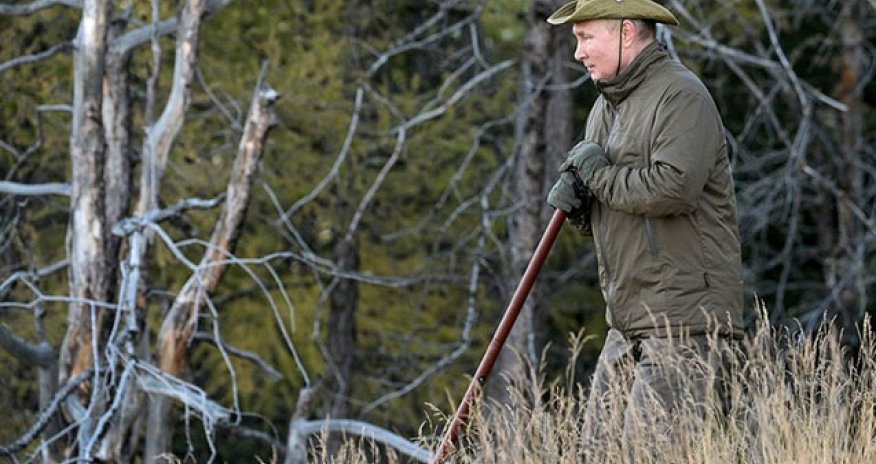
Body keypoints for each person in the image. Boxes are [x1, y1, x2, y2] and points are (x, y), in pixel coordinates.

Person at [544, 0, 745, 459]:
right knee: (597, 453)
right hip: (628, 321)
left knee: (648, 454)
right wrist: (581, 206)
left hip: (682, 321)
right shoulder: (606, 107)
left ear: (626, 32)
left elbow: (673, 189)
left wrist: (597, 177)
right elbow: (620, 209)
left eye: (586, 37)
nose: (578, 52)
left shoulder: (681, 96)